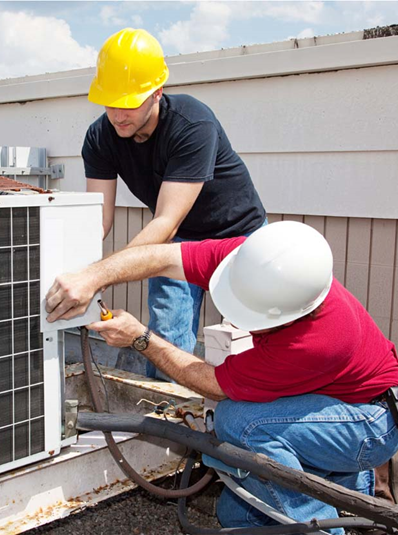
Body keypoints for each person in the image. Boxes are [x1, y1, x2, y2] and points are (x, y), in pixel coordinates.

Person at [45, 221, 398, 534]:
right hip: (332, 403)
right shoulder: (254, 260)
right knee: (235, 516)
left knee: (240, 423)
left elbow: (214, 385)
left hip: (370, 421)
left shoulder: (317, 341)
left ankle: (327, 519)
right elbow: (162, 256)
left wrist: (141, 339)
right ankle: (354, 484)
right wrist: (93, 275)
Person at [83, 28, 266, 378]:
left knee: (256, 334)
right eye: (111, 103)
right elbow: (99, 219)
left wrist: (100, 275)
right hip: (178, 242)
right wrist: (78, 268)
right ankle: (168, 420)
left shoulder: (192, 123)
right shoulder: (100, 137)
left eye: (131, 102)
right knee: (166, 336)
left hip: (240, 237)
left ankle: (249, 417)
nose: (119, 114)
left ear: (156, 93)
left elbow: (166, 220)